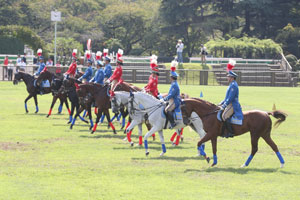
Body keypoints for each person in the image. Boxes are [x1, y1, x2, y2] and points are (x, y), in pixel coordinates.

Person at [218, 70, 243, 138]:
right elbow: (227, 97)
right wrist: (221, 103)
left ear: (232, 77)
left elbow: (231, 98)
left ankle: (230, 132)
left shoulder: (233, 86)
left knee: (224, 116)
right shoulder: (231, 85)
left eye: (228, 77)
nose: (227, 78)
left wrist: (224, 105)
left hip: (233, 104)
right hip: (229, 103)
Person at [163, 61, 181, 129]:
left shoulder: (174, 85)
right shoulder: (173, 84)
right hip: (172, 100)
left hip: (175, 101)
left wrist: (164, 99)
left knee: (167, 110)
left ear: (172, 77)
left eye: (170, 76)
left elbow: (171, 95)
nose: (170, 77)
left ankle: (173, 123)